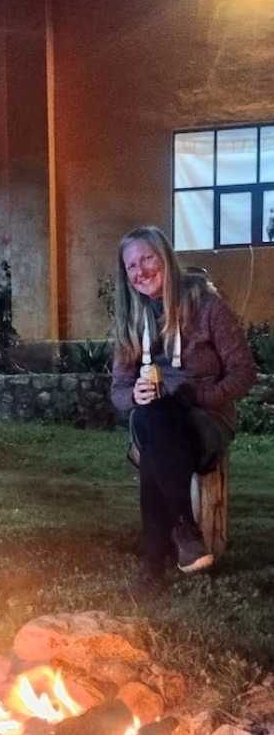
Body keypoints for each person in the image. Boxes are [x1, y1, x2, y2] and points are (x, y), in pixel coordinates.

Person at [111, 225, 256, 594]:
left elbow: (244, 371)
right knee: (152, 414)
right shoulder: (132, 319)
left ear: (166, 259)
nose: (140, 271)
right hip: (156, 422)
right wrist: (135, 397)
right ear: (125, 274)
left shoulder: (206, 306)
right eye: (131, 266)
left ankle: (152, 563)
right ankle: (184, 531)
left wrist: (201, 397)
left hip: (206, 421)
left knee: (155, 439)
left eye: (147, 259)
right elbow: (119, 391)